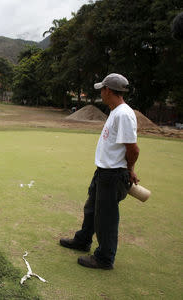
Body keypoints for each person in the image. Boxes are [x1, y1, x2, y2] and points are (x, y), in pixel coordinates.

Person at [59, 73, 140, 270]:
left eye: (102, 89)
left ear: (109, 90)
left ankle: (105, 258)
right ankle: (83, 240)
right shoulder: (115, 111)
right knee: (92, 209)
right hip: (104, 171)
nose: (101, 93)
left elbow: (133, 149)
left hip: (113, 174)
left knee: (106, 218)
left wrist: (130, 170)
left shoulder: (123, 114)